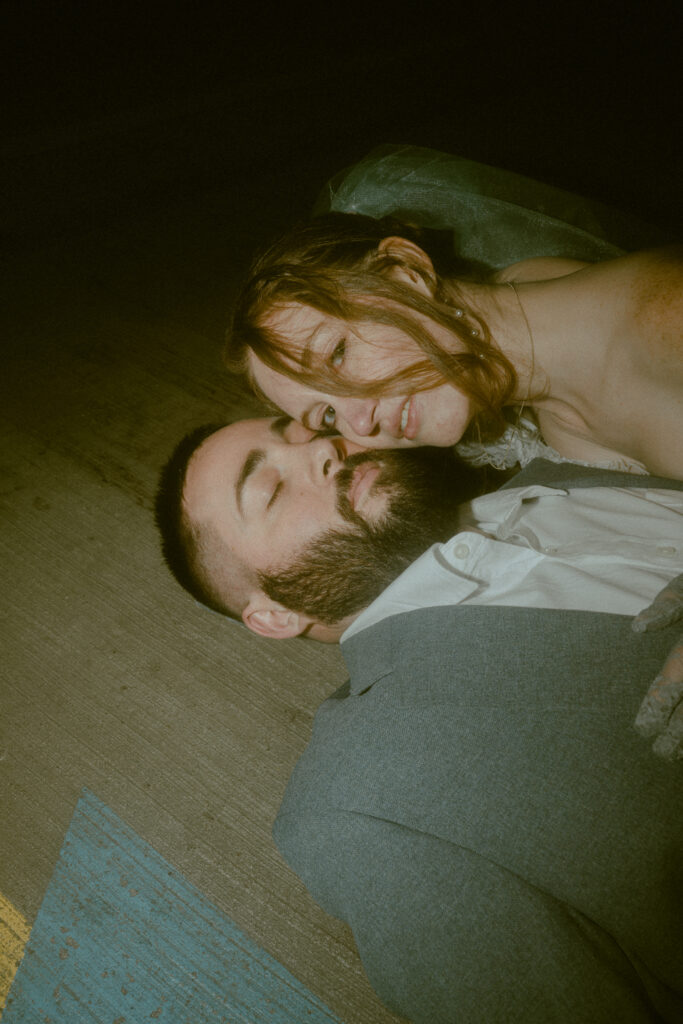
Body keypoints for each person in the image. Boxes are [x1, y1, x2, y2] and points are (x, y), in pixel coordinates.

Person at [156, 415, 683, 1023]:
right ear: (273, 616)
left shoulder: (545, 466)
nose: (324, 453)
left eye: (305, 431)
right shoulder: (361, 809)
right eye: (270, 490)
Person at [225, 149, 682, 479]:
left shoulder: (665, 323)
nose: (360, 425)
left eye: (337, 354)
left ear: (405, 272)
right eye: (326, 415)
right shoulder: (528, 303)